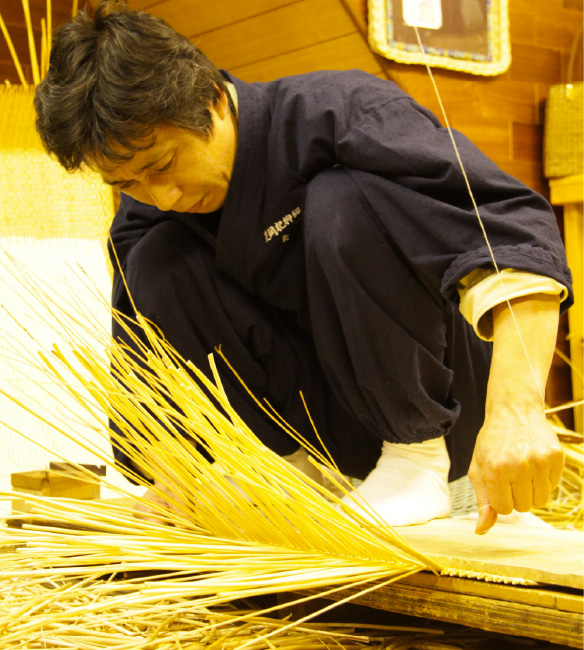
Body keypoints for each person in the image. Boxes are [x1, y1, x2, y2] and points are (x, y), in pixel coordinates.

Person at [34, 0, 571, 534]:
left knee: (340, 200)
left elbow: (507, 225)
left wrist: (518, 406)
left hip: (444, 414)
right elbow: (141, 354)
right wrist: (171, 474)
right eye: (127, 182)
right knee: (155, 259)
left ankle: (414, 458)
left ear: (213, 100)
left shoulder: (341, 111)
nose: (162, 194)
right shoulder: (149, 212)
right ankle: (283, 475)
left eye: (163, 164)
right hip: (323, 445)